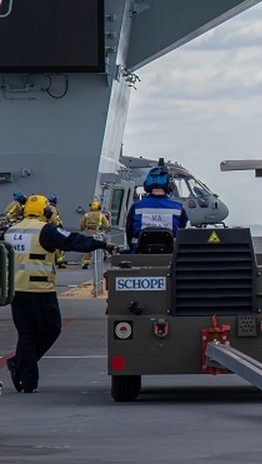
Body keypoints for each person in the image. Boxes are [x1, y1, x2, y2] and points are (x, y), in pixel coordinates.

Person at [3, 194, 114, 392]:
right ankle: (20, 364)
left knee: (27, 334)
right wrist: (103, 245)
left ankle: (27, 381)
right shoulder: (45, 231)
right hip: (40, 290)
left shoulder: (11, 231)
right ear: (45, 211)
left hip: (16, 292)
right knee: (52, 329)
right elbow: (74, 241)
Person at [124, 164, 189, 251]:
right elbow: (186, 233)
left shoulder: (136, 207)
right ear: (168, 184)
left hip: (140, 254)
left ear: (147, 184)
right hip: (171, 255)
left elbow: (129, 232)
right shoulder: (178, 208)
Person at [79, 200, 111, 270]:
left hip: (89, 232)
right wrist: (105, 229)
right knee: (99, 247)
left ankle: (85, 263)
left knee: (88, 248)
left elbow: (81, 224)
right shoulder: (101, 215)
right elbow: (106, 225)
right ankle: (99, 261)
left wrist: (83, 228)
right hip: (98, 232)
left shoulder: (87, 215)